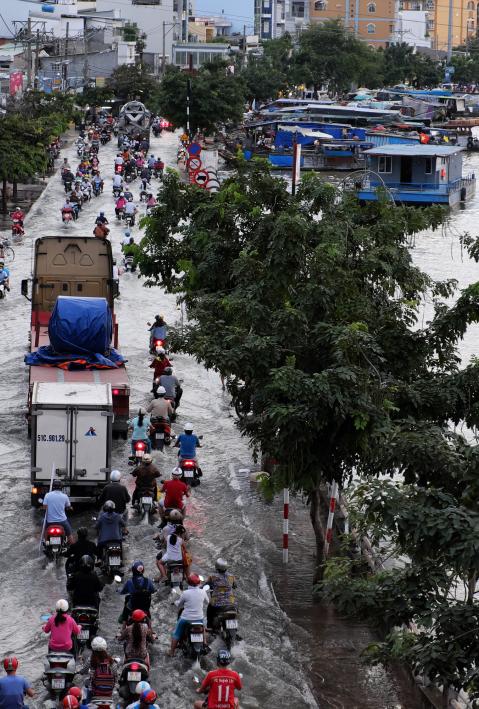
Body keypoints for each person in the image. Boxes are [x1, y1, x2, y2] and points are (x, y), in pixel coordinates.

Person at [169, 574, 209, 657]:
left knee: (176, 633)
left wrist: (174, 602)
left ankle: (171, 652)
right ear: (198, 582)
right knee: (203, 628)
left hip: (186, 618)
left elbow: (179, 604)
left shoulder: (185, 593)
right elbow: (207, 602)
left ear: (188, 583)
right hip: (199, 618)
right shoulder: (203, 592)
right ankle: (205, 644)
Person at [206, 559, 237, 631]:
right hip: (231, 603)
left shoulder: (212, 576)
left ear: (216, 567)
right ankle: (235, 629)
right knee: (235, 610)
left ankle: (210, 628)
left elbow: (206, 585)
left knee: (209, 612)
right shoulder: (231, 576)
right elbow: (235, 586)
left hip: (217, 603)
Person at [42, 479, 74, 544]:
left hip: (50, 521)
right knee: (70, 534)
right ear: (61, 487)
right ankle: (73, 549)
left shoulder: (47, 495)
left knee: (45, 532)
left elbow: (44, 507)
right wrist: (70, 508)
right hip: (62, 521)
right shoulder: (65, 496)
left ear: (53, 486)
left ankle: (46, 543)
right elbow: (68, 507)